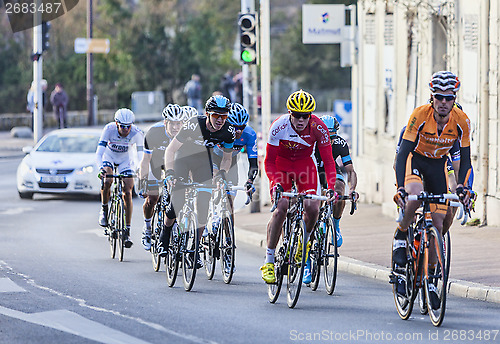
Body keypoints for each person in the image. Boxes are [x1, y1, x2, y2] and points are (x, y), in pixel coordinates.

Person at [393, 71, 472, 307]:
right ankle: (401, 233)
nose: (444, 102)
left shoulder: (462, 121)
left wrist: (462, 187)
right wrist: (400, 187)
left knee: (438, 224)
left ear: (454, 98)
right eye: (439, 97)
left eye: (449, 98)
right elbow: (403, 153)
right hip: (415, 160)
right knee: (415, 197)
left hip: (438, 165)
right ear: (432, 97)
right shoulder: (419, 115)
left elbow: (465, 161)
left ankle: (430, 278)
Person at [260, 90, 337, 284]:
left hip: (304, 166)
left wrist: (331, 187)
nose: (301, 120)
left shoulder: (319, 128)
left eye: (305, 116)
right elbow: (268, 161)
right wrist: (275, 182)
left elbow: (328, 162)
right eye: (296, 115)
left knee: (312, 207)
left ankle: (305, 243)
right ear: (289, 113)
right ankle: (269, 260)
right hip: (281, 167)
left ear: (310, 116)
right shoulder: (278, 126)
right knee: (281, 208)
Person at [163, 95, 235, 267]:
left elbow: (227, 158)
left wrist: (222, 174)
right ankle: (164, 237)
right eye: (216, 115)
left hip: (203, 161)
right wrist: (170, 173)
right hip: (183, 158)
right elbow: (171, 150)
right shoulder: (194, 123)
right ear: (207, 114)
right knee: (176, 203)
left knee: (203, 204)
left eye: (224, 116)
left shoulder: (228, 131)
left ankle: (194, 251)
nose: (220, 120)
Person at [138, 104, 187, 251]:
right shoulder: (153, 133)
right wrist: (143, 181)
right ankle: (147, 228)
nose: (175, 127)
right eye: (172, 123)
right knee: (152, 198)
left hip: (174, 166)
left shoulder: (186, 135)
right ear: (166, 122)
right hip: (156, 165)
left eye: (178, 123)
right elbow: (146, 160)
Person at [96, 108, 144, 248]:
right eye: (122, 126)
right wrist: (101, 169)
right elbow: (99, 153)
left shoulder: (137, 132)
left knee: (128, 191)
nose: (125, 129)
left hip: (125, 160)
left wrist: (140, 168)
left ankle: (127, 231)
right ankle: (104, 209)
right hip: (109, 157)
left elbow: (141, 154)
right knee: (108, 180)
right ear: (116, 124)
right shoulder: (109, 129)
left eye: (128, 126)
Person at [210, 103, 258, 233]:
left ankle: (228, 239)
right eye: (234, 127)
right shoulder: (218, 130)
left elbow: (253, 164)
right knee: (215, 183)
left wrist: (249, 181)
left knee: (229, 203)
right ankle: (212, 215)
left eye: (241, 127)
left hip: (231, 162)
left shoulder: (249, 134)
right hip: (213, 159)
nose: (238, 131)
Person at [315, 115, 359, 248]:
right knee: (315, 197)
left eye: (332, 137)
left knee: (339, 191)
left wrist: (352, 189)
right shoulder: (312, 141)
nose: (330, 141)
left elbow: (350, 171)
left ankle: (336, 225)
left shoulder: (340, 143)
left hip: (331, 169)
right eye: (326, 137)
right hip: (313, 170)